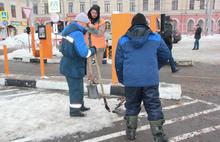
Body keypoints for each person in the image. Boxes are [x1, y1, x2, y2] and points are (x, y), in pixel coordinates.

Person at [115, 13, 170, 141]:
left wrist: (122, 78)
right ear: (145, 24)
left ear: (132, 25)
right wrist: (154, 67)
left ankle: (131, 133)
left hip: (131, 81)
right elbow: (166, 54)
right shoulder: (155, 37)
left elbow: (118, 62)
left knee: (132, 105)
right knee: (153, 106)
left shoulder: (123, 39)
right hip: (150, 80)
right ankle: (158, 135)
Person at [60, 13, 96, 117]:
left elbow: (62, 48)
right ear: (81, 22)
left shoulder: (68, 31)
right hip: (73, 67)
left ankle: (80, 106)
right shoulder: (77, 33)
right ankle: (74, 111)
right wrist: (93, 50)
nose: (86, 26)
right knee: (75, 89)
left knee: (78, 88)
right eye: (86, 24)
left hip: (70, 64)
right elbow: (84, 53)